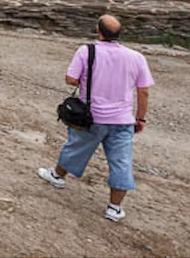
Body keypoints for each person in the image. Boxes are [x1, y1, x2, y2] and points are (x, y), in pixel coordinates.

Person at [38, 14, 154, 223]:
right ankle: (114, 207)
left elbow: (71, 79)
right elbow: (143, 91)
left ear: (98, 31)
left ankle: (57, 176)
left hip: (91, 116)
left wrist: (88, 80)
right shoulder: (137, 57)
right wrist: (141, 118)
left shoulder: (86, 51)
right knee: (121, 161)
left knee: (75, 147)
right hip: (122, 119)